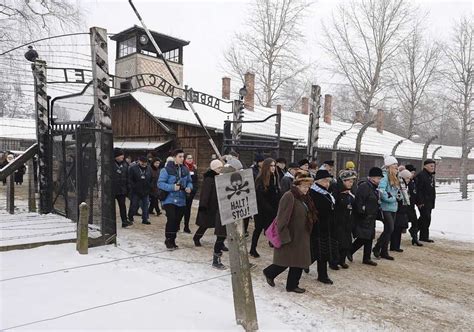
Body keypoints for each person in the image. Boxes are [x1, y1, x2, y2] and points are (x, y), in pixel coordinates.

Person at [263, 172, 317, 294]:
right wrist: (284, 236)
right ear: (296, 185)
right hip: (290, 235)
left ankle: (292, 285)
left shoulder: (304, 197)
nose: (306, 189)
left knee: (298, 261)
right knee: (286, 261)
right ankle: (270, 273)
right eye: (304, 186)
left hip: (301, 235)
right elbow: (282, 218)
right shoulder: (289, 196)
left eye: (308, 186)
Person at [158, 149, 193, 250]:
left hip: (181, 199)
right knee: (171, 219)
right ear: (174, 157)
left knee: (177, 222)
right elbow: (160, 183)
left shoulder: (185, 169)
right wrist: (172, 187)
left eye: (183, 157)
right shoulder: (166, 169)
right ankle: (168, 240)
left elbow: (190, 181)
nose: (182, 159)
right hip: (169, 199)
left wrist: (189, 188)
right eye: (180, 157)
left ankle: (173, 240)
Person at [309, 169, 338, 284]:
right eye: (325, 181)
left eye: (329, 181)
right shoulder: (314, 193)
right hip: (318, 227)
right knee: (317, 252)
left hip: (326, 227)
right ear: (318, 181)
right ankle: (275, 270)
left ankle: (322, 275)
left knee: (322, 252)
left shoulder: (325, 192)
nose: (327, 183)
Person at [350, 167, 383, 266]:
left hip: (371, 216)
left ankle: (366, 258)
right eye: (379, 178)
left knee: (369, 237)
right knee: (363, 237)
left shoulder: (373, 187)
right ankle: (349, 251)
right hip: (364, 216)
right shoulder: (364, 186)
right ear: (373, 178)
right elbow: (359, 201)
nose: (380, 180)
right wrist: (362, 212)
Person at [250, 158, 281, 258]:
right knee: (258, 229)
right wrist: (269, 208)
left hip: (272, 209)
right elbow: (260, 197)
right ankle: (252, 248)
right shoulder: (261, 179)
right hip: (262, 210)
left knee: (273, 229)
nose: (273, 168)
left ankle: (276, 246)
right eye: (271, 166)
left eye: (274, 166)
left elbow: (276, 193)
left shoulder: (275, 176)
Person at [372, 155, 400, 261]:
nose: (396, 167)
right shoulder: (384, 177)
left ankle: (383, 251)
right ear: (388, 166)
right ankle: (377, 248)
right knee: (390, 228)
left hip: (393, 207)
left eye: (396, 165)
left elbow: (396, 191)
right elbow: (382, 192)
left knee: (389, 230)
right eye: (394, 165)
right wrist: (393, 199)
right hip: (386, 207)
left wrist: (399, 196)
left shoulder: (394, 177)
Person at [193, 159, 224, 247]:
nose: (220, 169)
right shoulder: (209, 179)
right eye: (219, 168)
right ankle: (196, 238)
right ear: (214, 168)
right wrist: (203, 206)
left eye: (221, 167)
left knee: (220, 226)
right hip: (209, 206)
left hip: (217, 205)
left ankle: (220, 243)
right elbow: (205, 193)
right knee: (204, 224)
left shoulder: (219, 177)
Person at [334, 170, 357, 269]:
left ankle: (342, 260)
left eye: (352, 182)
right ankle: (334, 261)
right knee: (338, 242)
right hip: (338, 221)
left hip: (348, 221)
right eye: (349, 181)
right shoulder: (337, 192)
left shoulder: (350, 193)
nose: (351, 184)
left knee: (347, 242)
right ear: (343, 181)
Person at [390, 169, 412, 252]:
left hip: (403, 210)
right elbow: (398, 197)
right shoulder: (399, 186)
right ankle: (393, 246)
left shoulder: (405, 187)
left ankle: (396, 246)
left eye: (409, 178)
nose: (408, 180)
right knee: (396, 229)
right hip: (398, 210)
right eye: (407, 178)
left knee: (399, 230)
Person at [415, 159, 437, 243]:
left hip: (429, 201)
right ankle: (417, 231)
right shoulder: (421, 175)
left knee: (426, 218)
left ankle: (420, 233)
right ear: (425, 166)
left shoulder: (430, 175)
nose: (433, 167)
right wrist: (420, 201)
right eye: (431, 166)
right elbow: (418, 189)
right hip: (423, 201)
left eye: (434, 166)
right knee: (426, 217)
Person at [127, 156, 153, 225]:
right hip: (136, 190)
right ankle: (130, 216)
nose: (144, 164)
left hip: (146, 190)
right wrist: (133, 187)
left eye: (145, 163)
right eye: (142, 162)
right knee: (134, 205)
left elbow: (151, 178)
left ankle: (145, 219)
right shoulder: (133, 168)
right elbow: (130, 179)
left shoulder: (149, 168)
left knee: (145, 205)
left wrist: (150, 187)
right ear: (139, 161)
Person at [112, 148, 131, 228]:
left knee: (122, 206)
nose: (122, 157)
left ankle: (124, 221)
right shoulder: (110, 164)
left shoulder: (125, 164)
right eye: (120, 155)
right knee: (111, 207)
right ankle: (110, 222)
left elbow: (127, 176)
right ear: (116, 156)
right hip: (112, 189)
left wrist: (128, 187)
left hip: (122, 189)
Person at [181, 153, 198, 233]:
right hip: (183, 192)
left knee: (188, 210)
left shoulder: (194, 168)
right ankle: (177, 225)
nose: (190, 159)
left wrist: (194, 190)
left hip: (191, 192)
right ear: (185, 159)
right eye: (188, 158)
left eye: (191, 158)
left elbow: (195, 181)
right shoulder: (183, 167)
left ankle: (186, 226)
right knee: (181, 209)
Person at [405, 164, 422, 246]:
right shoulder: (403, 181)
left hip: (411, 206)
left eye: (414, 173)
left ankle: (415, 238)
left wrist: (418, 202)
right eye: (411, 172)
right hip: (403, 207)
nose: (413, 174)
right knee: (397, 225)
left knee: (415, 222)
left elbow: (416, 193)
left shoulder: (414, 181)